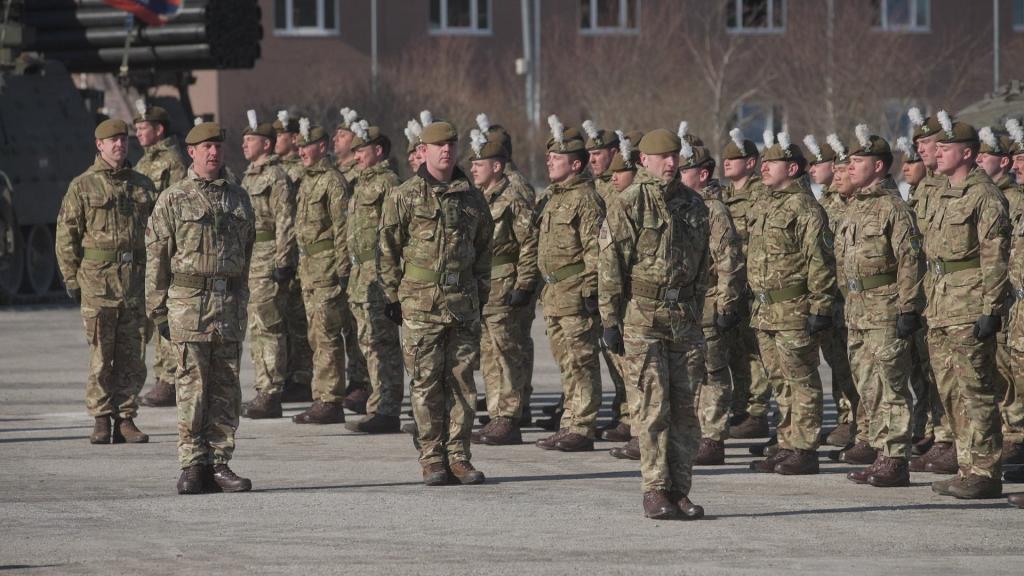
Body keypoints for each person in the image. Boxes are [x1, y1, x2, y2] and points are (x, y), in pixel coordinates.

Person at [599, 128, 708, 520]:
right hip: (642, 316)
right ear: (643, 160)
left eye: (674, 156)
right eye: (662, 157)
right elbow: (611, 265)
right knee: (651, 405)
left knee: (685, 409)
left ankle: (680, 489)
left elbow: (703, 265)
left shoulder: (694, 205)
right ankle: (655, 488)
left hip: (684, 319)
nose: (671, 163)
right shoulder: (629, 203)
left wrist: (696, 310)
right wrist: (610, 319)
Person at [378, 119, 494, 485]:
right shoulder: (405, 195)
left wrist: (481, 294)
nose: (447, 151)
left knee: (462, 381)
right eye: (439, 146)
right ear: (423, 151)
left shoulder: (472, 197)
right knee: (426, 382)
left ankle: (459, 456)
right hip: (420, 305)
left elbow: (485, 250)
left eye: (451, 145)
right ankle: (432, 457)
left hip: (462, 304)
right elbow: (386, 248)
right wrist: (391, 294)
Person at [145, 121, 255, 494]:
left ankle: (220, 463)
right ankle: (192, 465)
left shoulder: (239, 199)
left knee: (226, 388)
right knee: (192, 387)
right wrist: (158, 309)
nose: (213, 153)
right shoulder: (173, 199)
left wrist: (241, 300)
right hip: (188, 307)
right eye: (206, 147)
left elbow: (248, 252)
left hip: (228, 307)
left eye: (218, 147)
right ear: (191, 152)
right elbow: (157, 257)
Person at [56, 118, 155, 445]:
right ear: (99, 145)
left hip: (135, 283)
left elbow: (157, 235)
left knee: (133, 354)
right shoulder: (82, 186)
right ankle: (101, 418)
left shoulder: (142, 185)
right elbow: (66, 234)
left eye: (123, 140)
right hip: (98, 284)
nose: (119, 145)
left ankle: (126, 418)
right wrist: (71, 276)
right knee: (101, 354)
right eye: (112, 140)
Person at [926, 112, 1009, 500]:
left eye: (946, 148)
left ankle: (986, 470)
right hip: (940, 304)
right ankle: (966, 464)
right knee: (951, 391)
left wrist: (991, 308)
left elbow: (995, 255)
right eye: (937, 147)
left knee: (976, 388)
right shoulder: (942, 192)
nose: (937, 153)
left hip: (970, 303)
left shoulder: (984, 195)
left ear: (968, 153)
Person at [836, 125, 924, 487]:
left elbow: (910, 261)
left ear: (878, 166)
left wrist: (908, 308)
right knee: (867, 384)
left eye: (858, 161)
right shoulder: (855, 208)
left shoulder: (894, 209)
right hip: (857, 309)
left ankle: (896, 458)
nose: (851, 167)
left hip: (886, 308)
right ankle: (880, 450)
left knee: (891, 384)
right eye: (850, 161)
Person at [747, 131, 835, 476]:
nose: (764, 168)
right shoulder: (766, 204)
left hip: (795, 309)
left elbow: (820, 262)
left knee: (801, 380)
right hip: (765, 310)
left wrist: (820, 306)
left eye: (772, 163)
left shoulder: (806, 209)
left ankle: (805, 448)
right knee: (779, 381)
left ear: (794, 168)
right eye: (764, 162)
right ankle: (786, 443)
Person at [534, 116, 605, 452]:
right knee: (566, 362)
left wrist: (590, 291)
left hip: (575, 293)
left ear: (576, 164)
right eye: (549, 158)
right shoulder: (553, 197)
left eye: (557, 159)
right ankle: (569, 421)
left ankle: (583, 425)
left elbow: (595, 250)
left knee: (582, 361)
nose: (549, 162)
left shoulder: (585, 199)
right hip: (554, 294)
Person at [468, 127, 539, 445]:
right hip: (485, 284)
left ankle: (509, 416)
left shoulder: (513, 194)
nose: (473, 169)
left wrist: (524, 284)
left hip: (505, 281)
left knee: (506, 351)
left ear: (496, 166)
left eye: (479, 163)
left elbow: (530, 242)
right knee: (489, 352)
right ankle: (498, 413)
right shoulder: (482, 197)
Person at [678, 140, 745, 466]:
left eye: (685, 170)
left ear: (703, 174)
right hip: (688, 306)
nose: (678, 175)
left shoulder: (713, 210)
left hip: (710, 303)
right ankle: (695, 433)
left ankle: (713, 436)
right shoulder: (683, 206)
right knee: (691, 373)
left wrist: (727, 305)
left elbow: (728, 262)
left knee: (714, 372)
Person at [343, 122, 405, 434]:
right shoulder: (362, 182)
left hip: (380, 274)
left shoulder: (388, 182)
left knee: (383, 343)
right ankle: (377, 404)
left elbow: (395, 231)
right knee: (369, 343)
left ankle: (387, 408)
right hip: (361, 275)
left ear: (378, 150)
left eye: (361, 150)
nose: (356, 156)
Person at [291, 119, 353, 425]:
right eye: (300, 146)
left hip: (327, 270)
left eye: (307, 145)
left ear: (322, 147)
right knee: (316, 334)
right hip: (309, 271)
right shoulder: (307, 180)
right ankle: (321, 396)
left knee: (327, 334)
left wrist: (342, 269)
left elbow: (343, 229)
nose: (301, 151)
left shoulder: (332, 181)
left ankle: (330, 400)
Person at [237, 111, 297, 420]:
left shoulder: (276, 176)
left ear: (267, 144)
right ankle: (263, 387)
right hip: (251, 259)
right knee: (257, 328)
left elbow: (285, 220)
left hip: (269, 256)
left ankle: (272, 392)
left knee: (270, 327)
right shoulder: (249, 175)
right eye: (245, 139)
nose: (244, 144)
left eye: (251, 139)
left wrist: (284, 261)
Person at [132, 101, 188, 408]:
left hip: (165, 246)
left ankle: (170, 379)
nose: (138, 133)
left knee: (167, 310)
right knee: (154, 312)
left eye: (143, 128)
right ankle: (161, 377)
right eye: (137, 128)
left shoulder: (172, 162)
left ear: (159, 130)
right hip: (148, 246)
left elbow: (178, 206)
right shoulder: (145, 161)